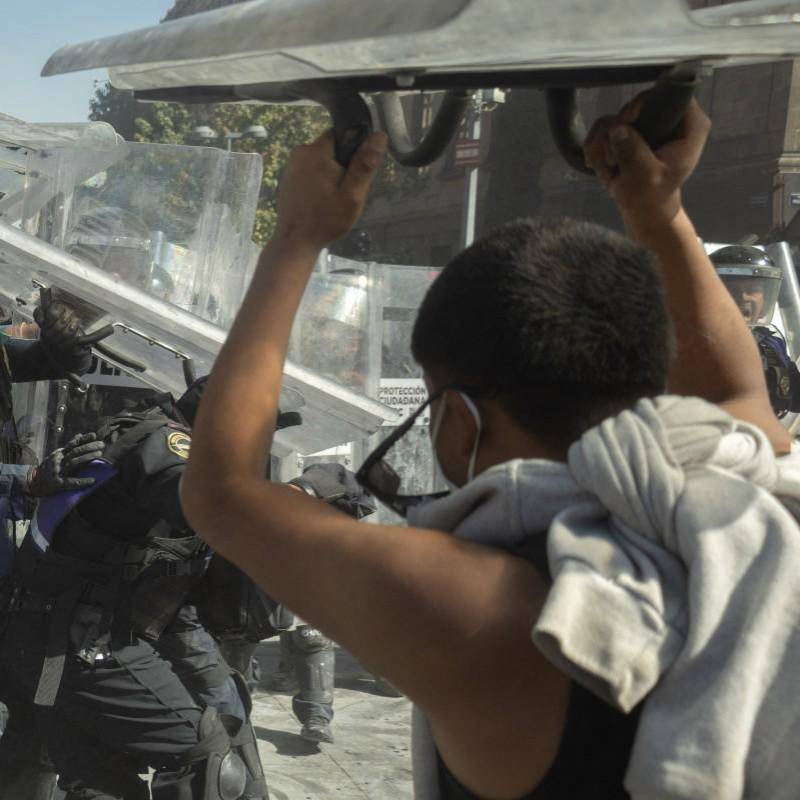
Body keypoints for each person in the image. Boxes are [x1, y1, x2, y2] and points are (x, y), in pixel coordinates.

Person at [181, 94, 797, 799]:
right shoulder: (738, 492)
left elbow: (222, 492)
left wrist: (296, 234)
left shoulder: (492, 611)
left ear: (459, 423)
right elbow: (730, 393)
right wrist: (660, 211)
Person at [0, 379, 268, 800]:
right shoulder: (168, 444)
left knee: (100, 777)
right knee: (208, 758)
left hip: (45, 645)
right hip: (72, 646)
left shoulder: (134, 429)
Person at [710, 244, 800, 417]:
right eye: (731, 289)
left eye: (752, 289)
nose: (743, 297)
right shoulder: (691, 345)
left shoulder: (770, 344)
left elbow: (795, 397)